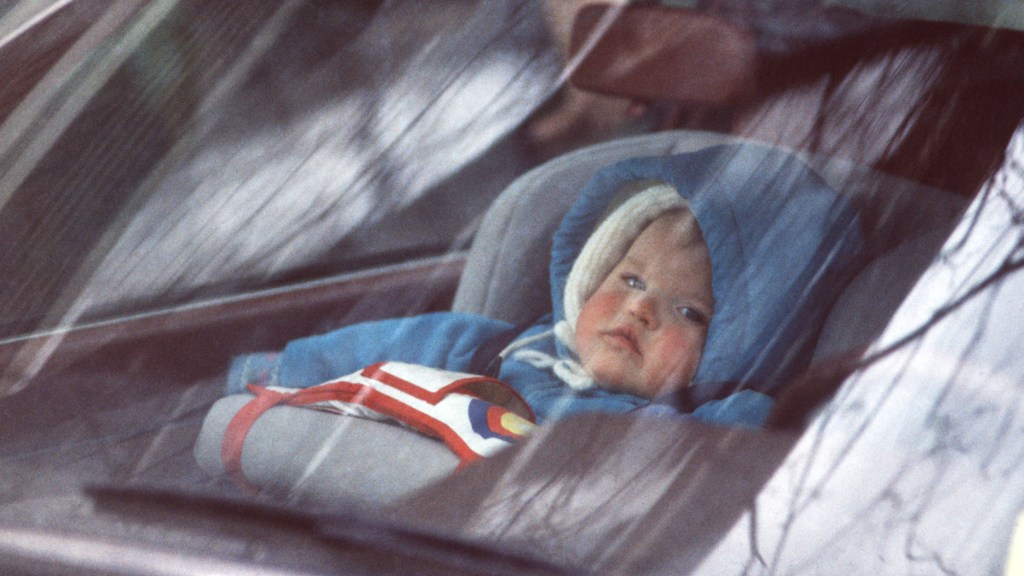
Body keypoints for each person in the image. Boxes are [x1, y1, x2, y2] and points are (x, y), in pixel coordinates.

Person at [223, 143, 864, 436]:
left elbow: (766, 445)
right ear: (589, 276)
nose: (640, 307)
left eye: (690, 312)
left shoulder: (698, 428)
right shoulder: (498, 352)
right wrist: (272, 373)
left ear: (742, 346)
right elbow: (383, 348)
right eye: (630, 279)